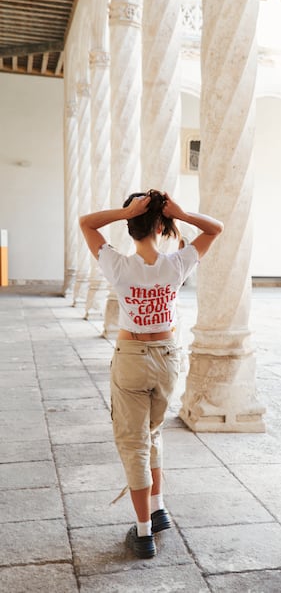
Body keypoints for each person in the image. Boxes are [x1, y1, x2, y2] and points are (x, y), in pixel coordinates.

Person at [79, 190, 223, 559]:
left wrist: (126, 211)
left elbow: (86, 223)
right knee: (153, 432)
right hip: (167, 358)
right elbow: (215, 229)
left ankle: (143, 532)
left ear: (130, 226)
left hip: (131, 357)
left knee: (133, 443)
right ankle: (158, 511)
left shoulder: (118, 265)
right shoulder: (176, 264)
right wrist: (183, 214)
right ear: (163, 225)